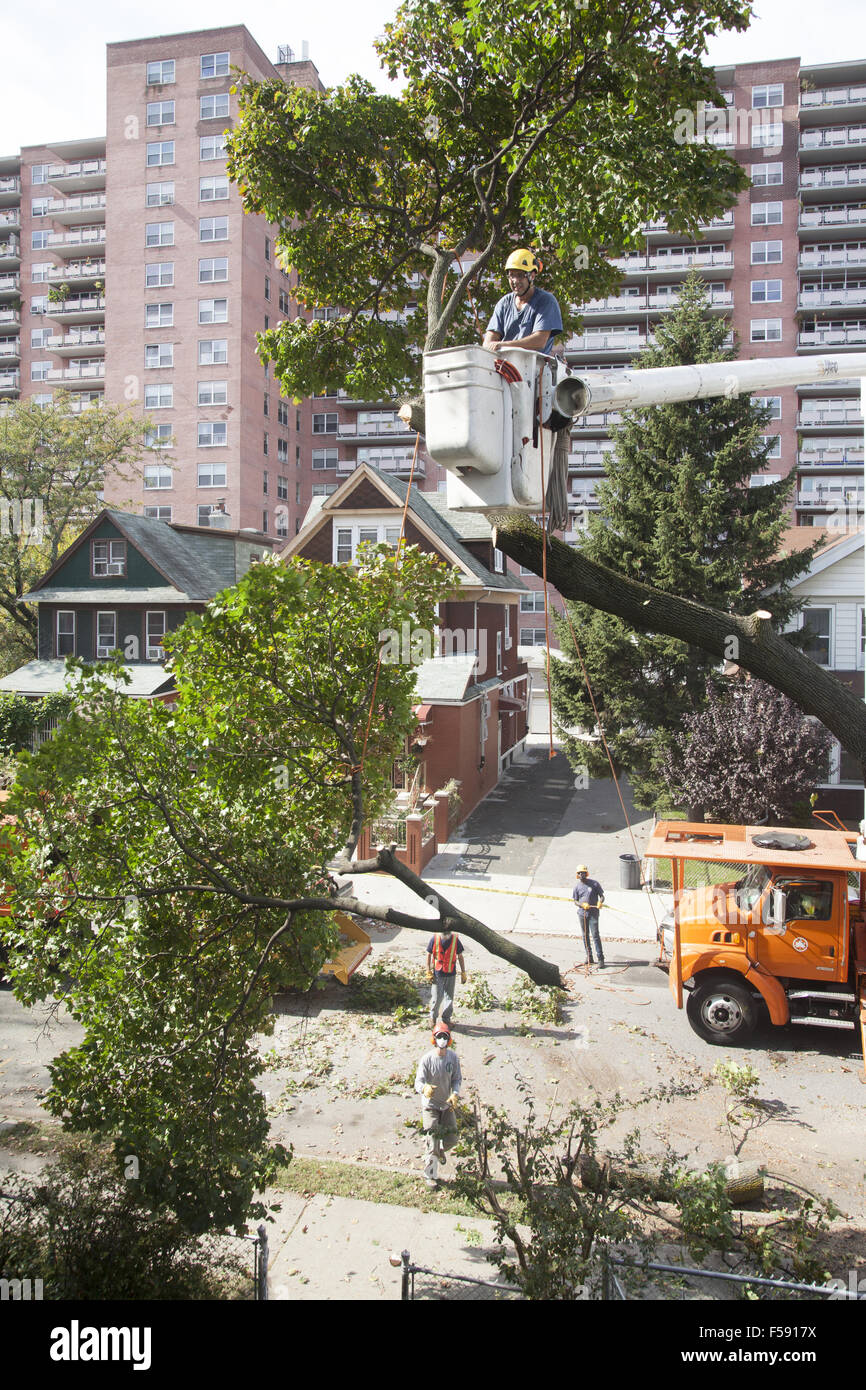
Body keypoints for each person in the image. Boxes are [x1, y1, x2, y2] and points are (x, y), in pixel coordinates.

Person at [483, 248, 563, 356]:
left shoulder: (546, 301)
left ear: (532, 276)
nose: (515, 281)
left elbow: (539, 340)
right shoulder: (504, 304)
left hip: (534, 367)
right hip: (504, 366)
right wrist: (493, 345)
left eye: (520, 275)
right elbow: (488, 342)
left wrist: (502, 345)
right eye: (511, 275)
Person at [414, 1022, 462, 1189]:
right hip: (431, 1107)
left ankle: (440, 1151)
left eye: (445, 1037)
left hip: (446, 1106)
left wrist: (455, 1093)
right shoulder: (427, 1059)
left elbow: (457, 1079)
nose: (442, 1040)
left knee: (452, 1139)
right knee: (432, 1142)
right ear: (434, 1039)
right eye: (439, 1036)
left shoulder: (453, 1058)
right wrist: (424, 1088)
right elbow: (417, 1082)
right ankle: (431, 1175)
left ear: (449, 1040)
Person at [426, 925, 467, 1030]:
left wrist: (463, 972)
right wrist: (428, 970)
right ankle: (432, 1018)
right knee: (437, 997)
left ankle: (446, 1019)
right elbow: (429, 954)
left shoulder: (455, 939)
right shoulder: (434, 938)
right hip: (438, 974)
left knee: (449, 997)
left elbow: (460, 956)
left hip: (450, 973)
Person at [572, 864, 606, 969]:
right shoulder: (577, 887)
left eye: (583, 872)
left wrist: (600, 902)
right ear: (577, 875)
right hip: (582, 914)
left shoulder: (594, 884)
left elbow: (602, 896)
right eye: (579, 873)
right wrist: (582, 905)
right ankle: (589, 956)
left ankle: (600, 958)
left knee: (595, 935)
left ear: (586, 873)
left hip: (593, 914)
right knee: (585, 935)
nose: (582, 874)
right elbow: (575, 901)